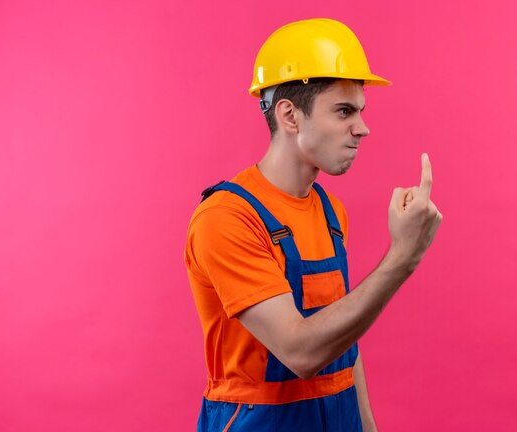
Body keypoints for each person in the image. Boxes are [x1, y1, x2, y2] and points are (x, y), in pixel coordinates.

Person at [184, 18, 442, 431]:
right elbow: (300, 351)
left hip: (339, 417)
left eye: (360, 111)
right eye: (344, 111)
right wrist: (402, 257)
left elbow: (343, 340)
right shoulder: (227, 218)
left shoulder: (329, 211)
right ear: (289, 115)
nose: (362, 128)